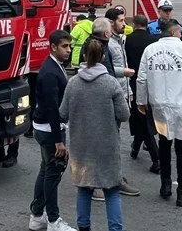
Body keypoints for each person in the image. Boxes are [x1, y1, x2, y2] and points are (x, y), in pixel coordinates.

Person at [60, 38, 130, 231]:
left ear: (83, 56)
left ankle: (84, 228)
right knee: (112, 191)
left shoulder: (73, 83)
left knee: (83, 189)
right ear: (103, 57)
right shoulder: (110, 83)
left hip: (81, 147)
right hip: (107, 145)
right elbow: (124, 114)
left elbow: (63, 113)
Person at [136, 18, 182, 208]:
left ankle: (165, 185)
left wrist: (141, 102)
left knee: (164, 143)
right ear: (176, 32)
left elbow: (141, 78)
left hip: (159, 106)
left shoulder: (150, 50)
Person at [91, 12, 140, 200]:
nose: (123, 23)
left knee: (113, 143)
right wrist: (123, 74)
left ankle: (114, 178)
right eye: (120, 20)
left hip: (119, 93)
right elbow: (104, 72)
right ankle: (99, 182)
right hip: (108, 99)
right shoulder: (102, 45)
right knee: (103, 143)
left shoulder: (117, 41)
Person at [29, 30, 74, 231]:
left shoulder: (54, 66)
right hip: (49, 130)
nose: (69, 50)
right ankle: (53, 221)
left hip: (46, 128)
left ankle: (37, 215)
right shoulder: (49, 72)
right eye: (64, 46)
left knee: (46, 170)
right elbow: (52, 109)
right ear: (53, 47)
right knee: (53, 174)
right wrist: (58, 140)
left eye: (69, 46)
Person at [148, 0, 182, 152]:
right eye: (165, 10)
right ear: (159, 10)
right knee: (160, 117)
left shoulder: (178, 26)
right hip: (159, 70)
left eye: (170, 9)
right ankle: (150, 140)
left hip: (175, 71)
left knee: (180, 113)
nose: (168, 12)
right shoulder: (151, 27)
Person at [124, 15, 160, 173]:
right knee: (143, 119)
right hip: (152, 83)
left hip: (133, 82)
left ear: (134, 25)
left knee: (141, 119)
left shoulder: (127, 40)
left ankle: (156, 159)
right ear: (146, 25)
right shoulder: (154, 41)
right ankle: (135, 148)